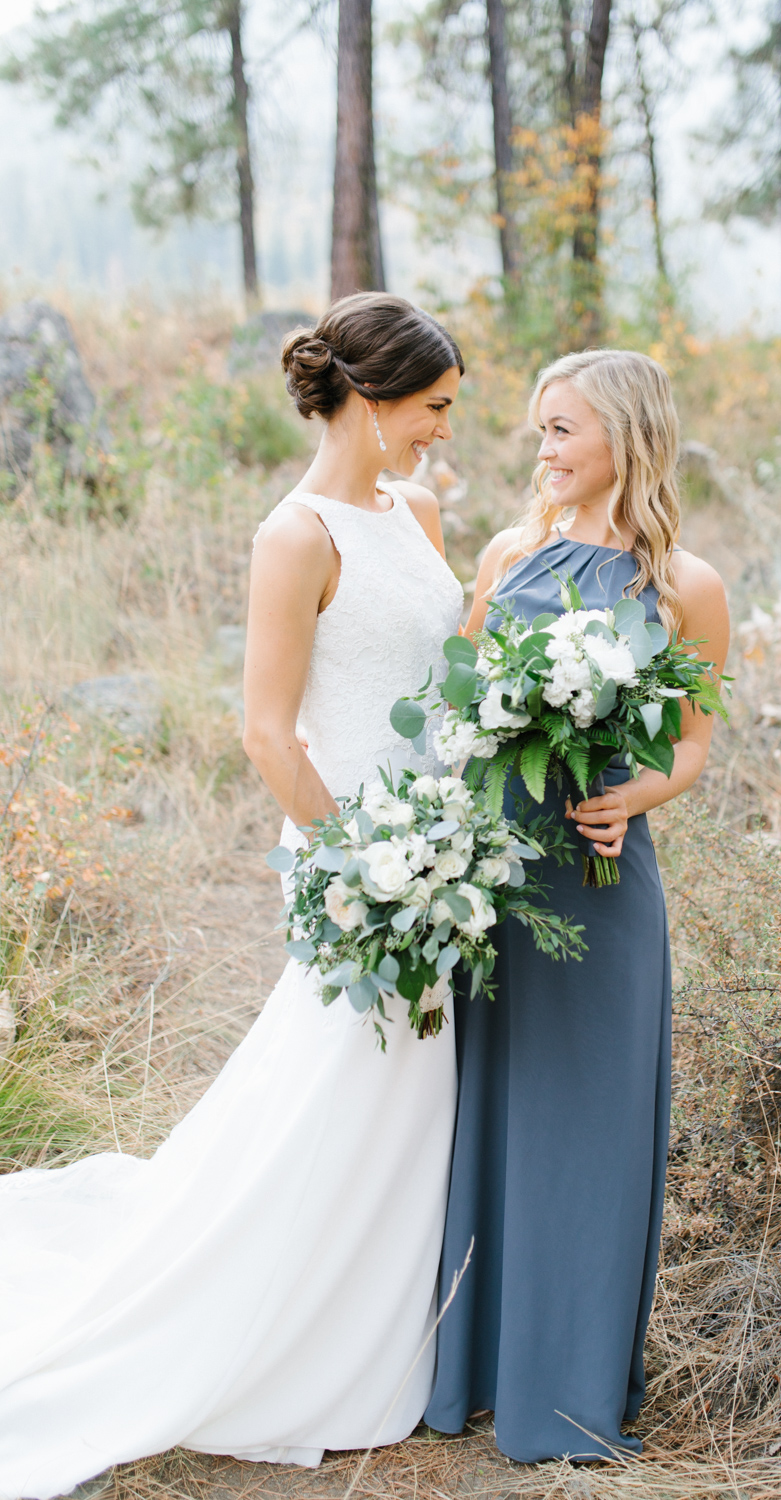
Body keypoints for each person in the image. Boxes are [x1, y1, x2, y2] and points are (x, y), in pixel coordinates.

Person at [0, 293, 466, 1498]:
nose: (441, 436)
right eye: (431, 410)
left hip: (438, 855)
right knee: (346, 1075)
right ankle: (284, 1330)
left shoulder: (410, 511)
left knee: (406, 1092)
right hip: (357, 860)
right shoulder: (293, 536)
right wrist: (369, 873)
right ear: (367, 403)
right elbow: (266, 734)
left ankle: (383, 1325)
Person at [424, 348, 730, 1463]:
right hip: (502, 874)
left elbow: (694, 744)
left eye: (562, 430)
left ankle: (570, 1393)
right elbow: (451, 705)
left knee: (593, 1131)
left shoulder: (681, 584)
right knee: (496, 1113)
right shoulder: (511, 554)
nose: (541, 449)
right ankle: (477, 1370)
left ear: (624, 438)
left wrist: (636, 792)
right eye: (539, 429)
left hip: (604, 885)